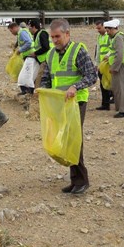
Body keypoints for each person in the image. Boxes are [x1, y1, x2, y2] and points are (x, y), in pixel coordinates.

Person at [40, 18, 97, 195]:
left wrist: (75, 87)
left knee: (74, 139)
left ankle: (81, 180)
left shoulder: (78, 51)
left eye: (57, 36)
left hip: (76, 102)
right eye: (52, 37)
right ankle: (75, 180)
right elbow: (47, 78)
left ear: (67, 34)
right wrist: (42, 90)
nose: (55, 40)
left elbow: (91, 76)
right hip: (60, 103)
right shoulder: (50, 54)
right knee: (65, 139)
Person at [8, 22, 37, 95]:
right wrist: (15, 46)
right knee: (28, 74)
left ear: (14, 28)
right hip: (29, 56)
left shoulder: (21, 33)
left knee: (24, 75)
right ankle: (28, 91)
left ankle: (28, 91)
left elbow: (28, 42)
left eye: (11, 31)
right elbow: (20, 42)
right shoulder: (21, 32)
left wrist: (20, 50)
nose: (11, 33)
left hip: (30, 56)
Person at [94, 19, 113, 110]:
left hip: (109, 64)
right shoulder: (99, 37)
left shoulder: (109, 36)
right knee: (103, 84)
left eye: (99, 28)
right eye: (97, 29)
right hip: (102, 64)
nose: (98, 30)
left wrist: (108, 55)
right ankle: (105, 104)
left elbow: (113, 48)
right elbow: (97, 51)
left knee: (113, 84)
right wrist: (96, 64)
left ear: (104, 26)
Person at [28, 19, 50, 89]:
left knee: (40, 77)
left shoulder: (42, 34)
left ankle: (36, 94)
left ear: (34, 27)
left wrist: (35, 53)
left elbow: (46, 47)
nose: (29, 29)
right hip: (42, 60)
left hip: (46, 59)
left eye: (30, 27)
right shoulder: (36, 35)